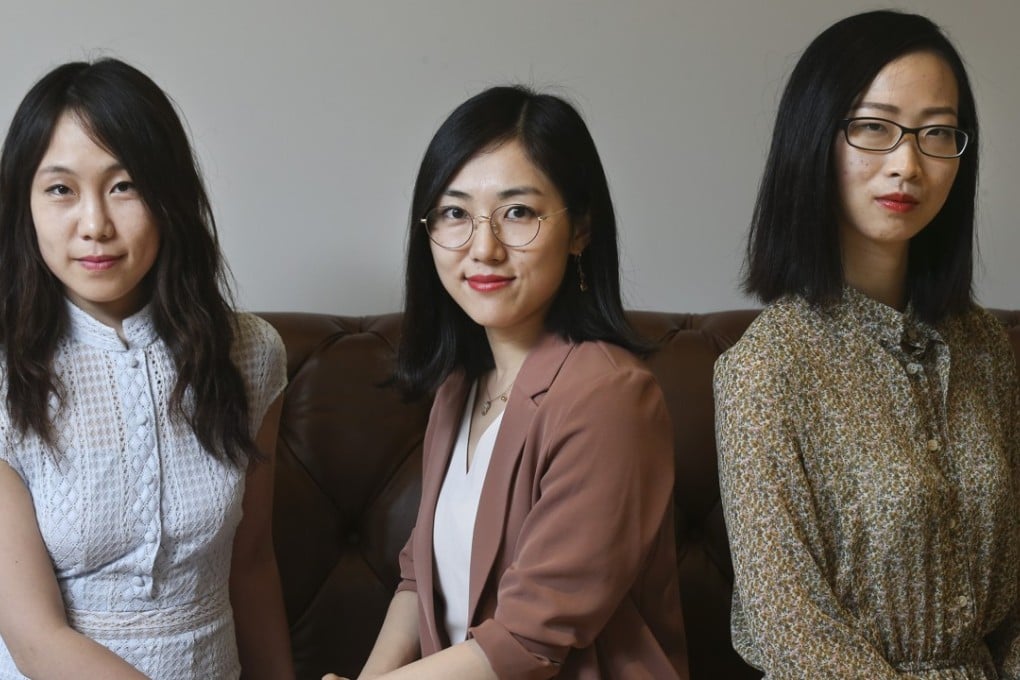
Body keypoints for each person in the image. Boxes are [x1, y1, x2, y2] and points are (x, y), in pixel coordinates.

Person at [325, 86, 688, 680]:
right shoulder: (462, 386)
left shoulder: (612, 396)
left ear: (580, 230)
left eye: (519, 212)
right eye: (454, 213)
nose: (483, 248)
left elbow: (528, 639)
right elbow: (419, 577)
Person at [715, 10, 1020, 678]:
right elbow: (796, 634)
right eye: (874, 129)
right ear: (814, 140)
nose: (908, 164)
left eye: (937, 133)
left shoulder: (986, 348)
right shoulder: (766, 369)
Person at [0, 59, 294, 679]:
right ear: (24, 205)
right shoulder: (4, 378)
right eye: (60, 189)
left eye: (123, 185)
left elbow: (254, 561)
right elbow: (34, 636)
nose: (94, 225)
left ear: (169, 196)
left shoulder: (252, 353)